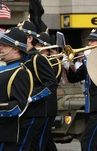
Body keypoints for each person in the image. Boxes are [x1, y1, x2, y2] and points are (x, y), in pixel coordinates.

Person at [62, 27, 97, 151]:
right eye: (89, 40)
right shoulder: (89, 60)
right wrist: (68, 67)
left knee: (87, 141)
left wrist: (91, 59)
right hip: (91, 106)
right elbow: (75, 78)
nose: (89, 43)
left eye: (92, 41)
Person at [0, 27, 33, 151]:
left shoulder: (20, 72)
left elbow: (18, 105)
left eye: (5, 45)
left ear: (16, 49)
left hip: (2, 133)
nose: (0, 47)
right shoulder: (3, 69)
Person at [16, 20, 58, 151]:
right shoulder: (23, 58)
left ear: (29, 38)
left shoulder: (38, 58)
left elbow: (51, 83)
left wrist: (31, 97)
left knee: (36, 146)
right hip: (26, 111)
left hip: (39, 111)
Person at [35, 31, 63, 151]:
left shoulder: (53, 62)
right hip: (41, 107)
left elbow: (51, 81)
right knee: (46, 141)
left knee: (40, 141)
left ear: (45, 47)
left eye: (38, 45)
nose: (36, 47)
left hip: (47, 106)